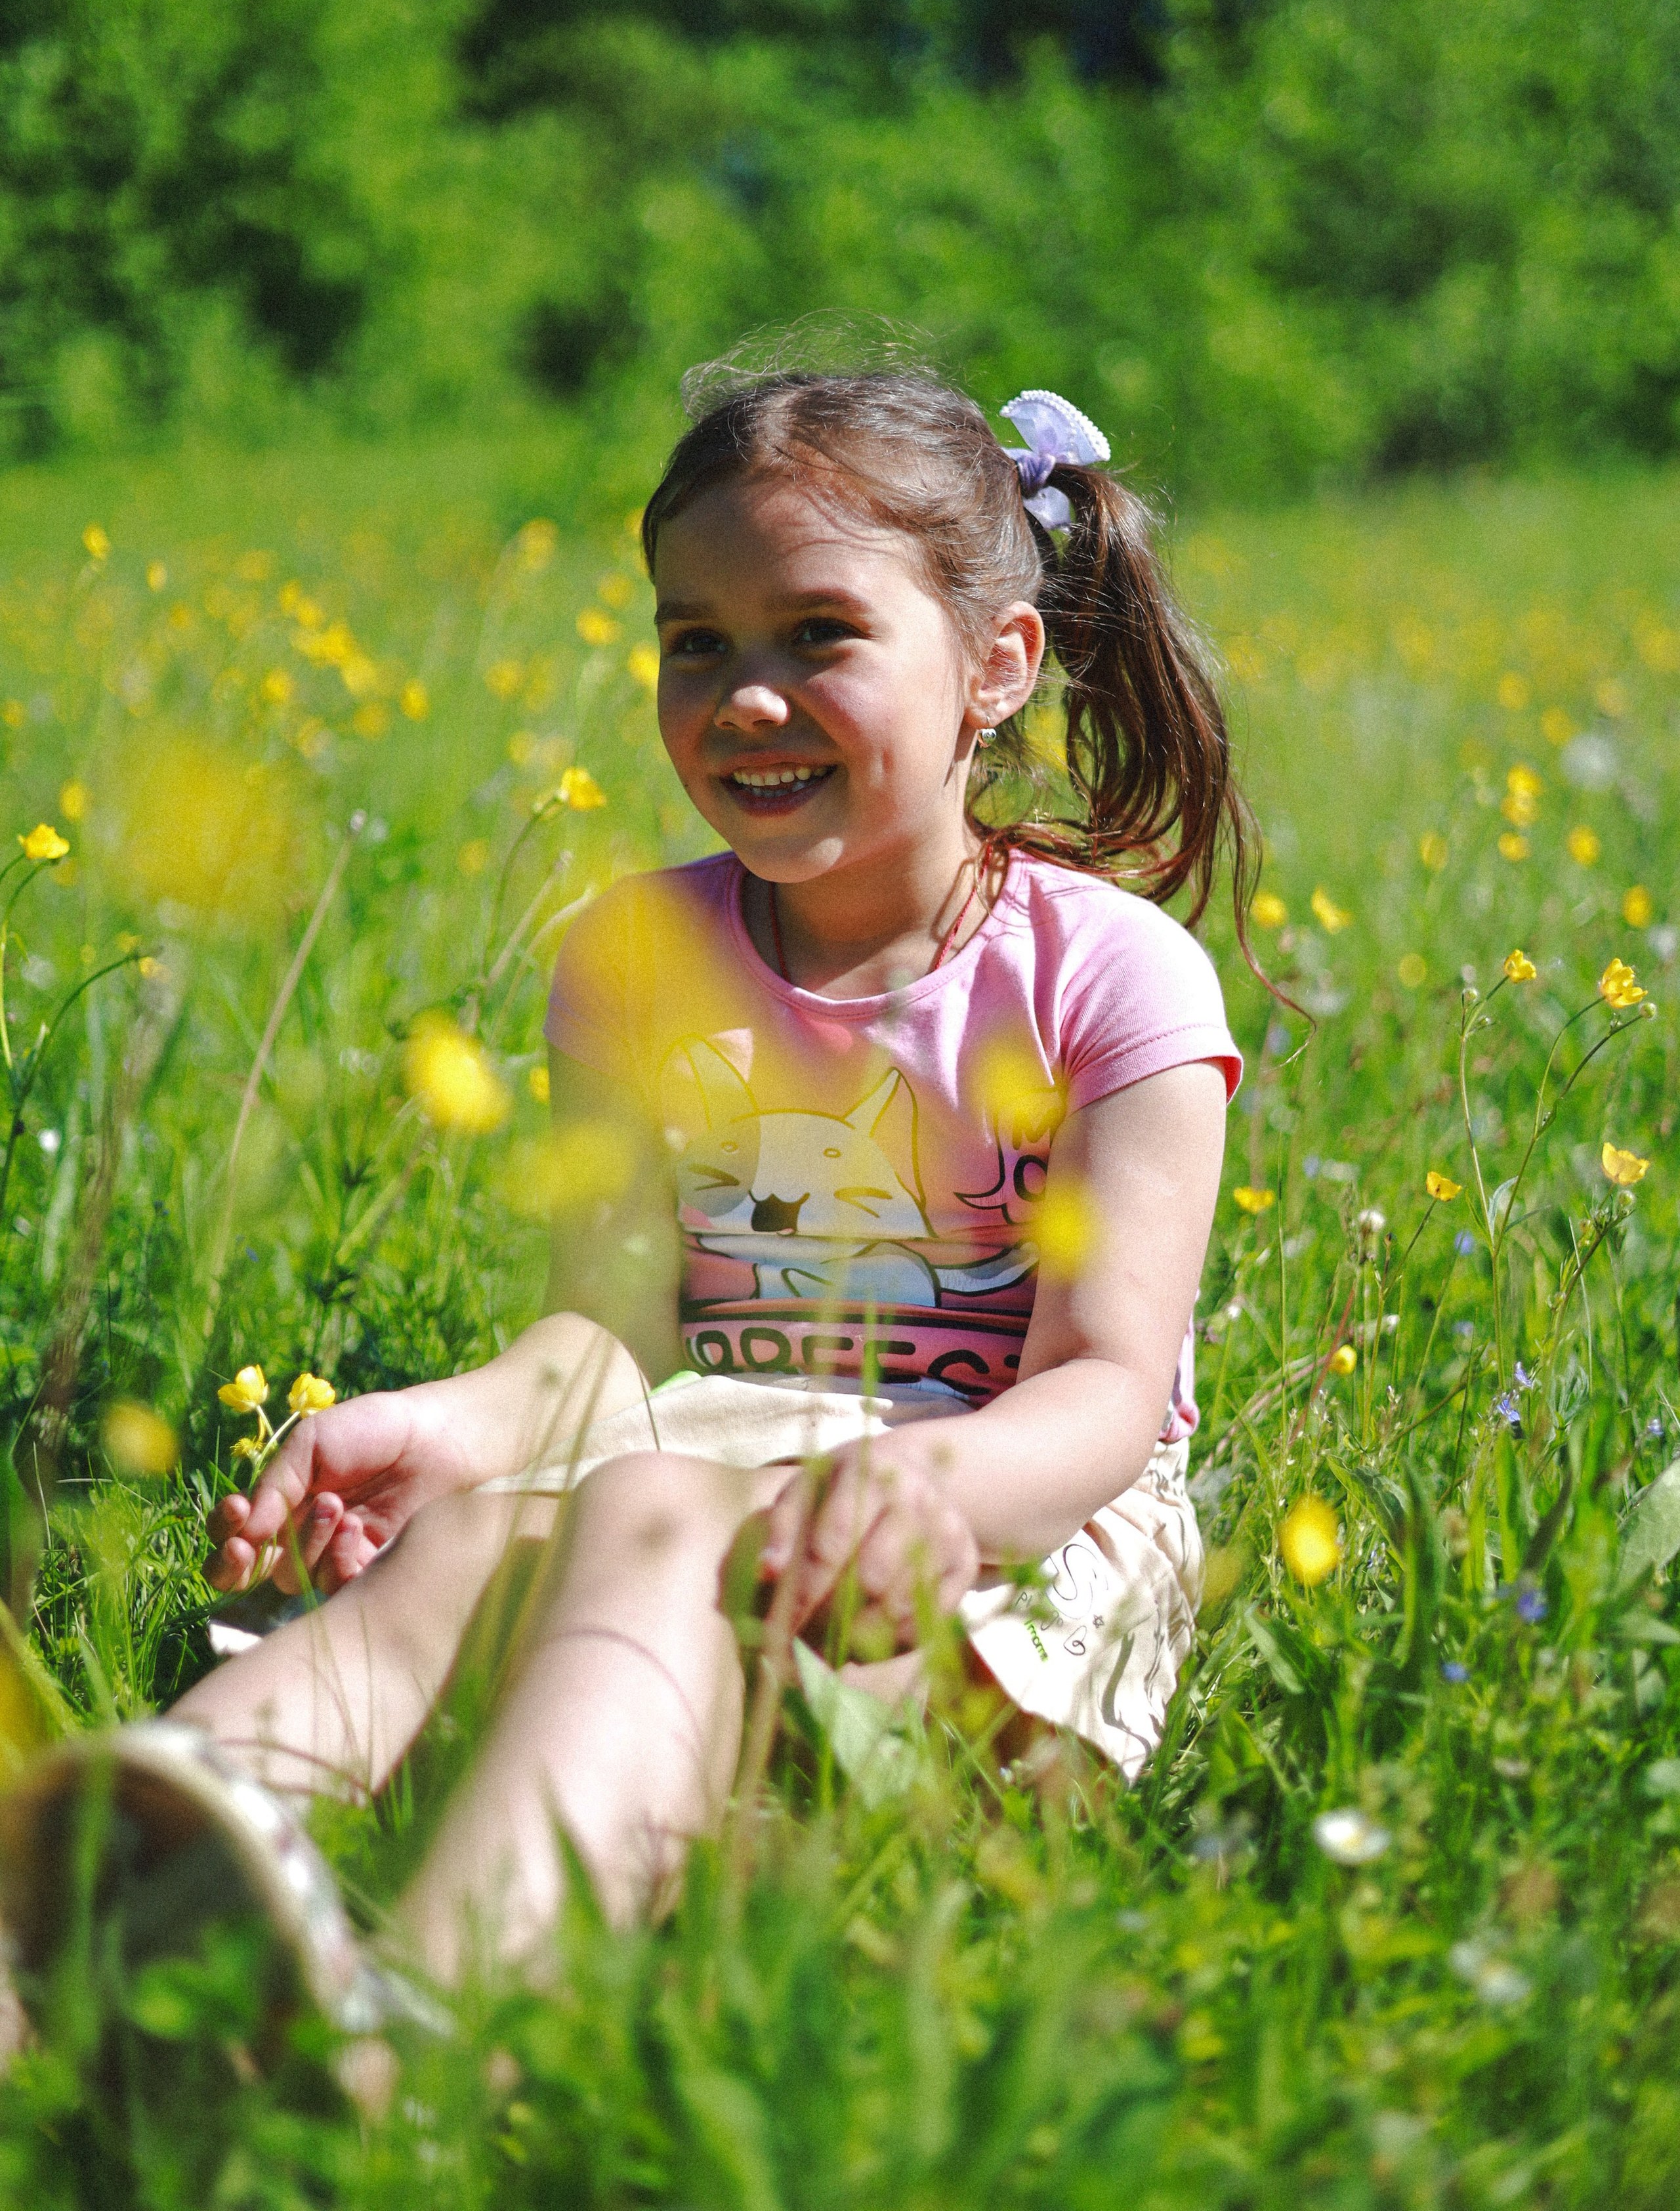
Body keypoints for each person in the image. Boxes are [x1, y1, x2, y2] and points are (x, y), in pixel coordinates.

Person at [1, 366, 1250, 2017]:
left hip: (985, 1542)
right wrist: (459, 1419)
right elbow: (603, 1334)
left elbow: (1104, 1387)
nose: (744, 697)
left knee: (641, 1517)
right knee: (468, 1550)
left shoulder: (1109, 977)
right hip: (688, 1481)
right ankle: (71, 1922)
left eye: (819, 635)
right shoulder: (634, 957)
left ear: (995, 669)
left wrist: (928, 1494)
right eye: (696, 641)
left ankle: (429, 2028)